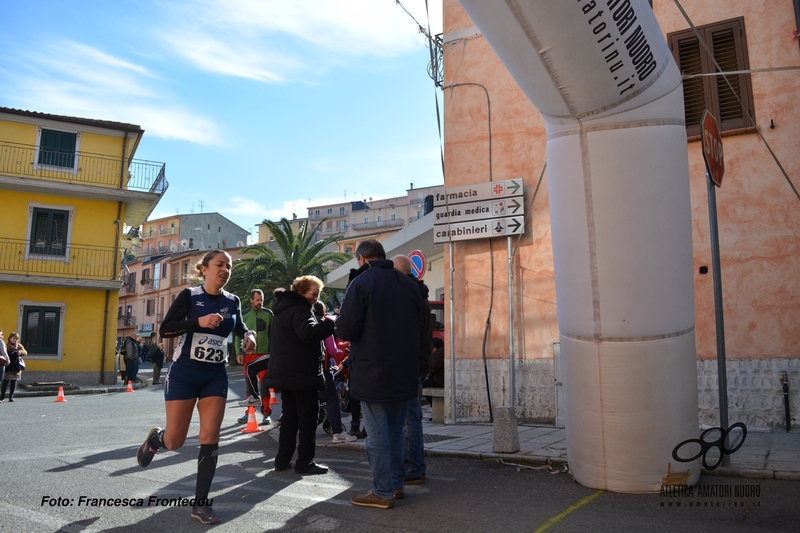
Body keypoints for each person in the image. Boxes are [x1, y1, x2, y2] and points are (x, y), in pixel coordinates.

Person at [136, 249, 256, 525]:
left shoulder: (232, 301)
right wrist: (198, 322)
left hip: (215, 375)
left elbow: (239, 327)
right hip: (184, 374)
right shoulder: (190, 296)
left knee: (210, 436)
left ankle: (201, 504)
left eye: (229, 266)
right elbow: (165, 329)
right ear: (205, 269)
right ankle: (156, 440)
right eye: (219, 265)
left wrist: (248, 335)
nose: (225, 270)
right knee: (175, 441)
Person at [335, 240, 424, 509]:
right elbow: (419, 327)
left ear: (362, 259)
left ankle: (381, 491)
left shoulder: (362, 283)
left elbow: (346, 329)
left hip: (373, 370)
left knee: (377, 434)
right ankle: (396, 485)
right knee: (397, 431)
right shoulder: (409, 285)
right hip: (405, 371)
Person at [265, 275, 335, 475]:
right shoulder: (301, 310)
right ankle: (305, 462)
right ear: (301, 292)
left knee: (289, 418)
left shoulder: (282, 311)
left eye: (317, 294)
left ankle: (282, 459)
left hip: (286, 374)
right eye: (313, 293)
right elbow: (308, 333)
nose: (316, 298)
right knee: (307, 419)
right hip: (303, 375)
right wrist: (330, 324)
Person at [391, 254, 433, 486]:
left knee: (409, 417)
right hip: (418, 362)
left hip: (411, 364)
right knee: (412, 416)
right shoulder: (420, 295)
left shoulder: (410, 297)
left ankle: (414, 468)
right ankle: (416, 467)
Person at [313, 301, 357, 443]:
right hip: (324, 369)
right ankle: (337, 432)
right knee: (332, 399)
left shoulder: (305, 324)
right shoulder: (325, 326)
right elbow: (331, 350)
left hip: (306, 370)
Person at [235, 289, 274, 426]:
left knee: (265, 385)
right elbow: (238, 335)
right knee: (249, 386)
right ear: (251, 300)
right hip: (249, 355)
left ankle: (266, 413)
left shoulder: (269, 314)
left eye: (261, 300)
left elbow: (273, 334)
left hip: (265, 354)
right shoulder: (244, 315)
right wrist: (238, 352)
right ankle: (249, 412)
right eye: (257, 300)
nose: (259, 302)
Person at [1, 332, 28, 403]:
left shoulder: (19, 346)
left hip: (16, 367)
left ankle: (11, 396)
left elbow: (25, 352)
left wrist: (20, 352)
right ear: (10, 338)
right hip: (8, 366)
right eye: (14, 338)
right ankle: (2, 397)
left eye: (16, 338)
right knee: (5, 382)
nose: (15, 340)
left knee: (14, 382)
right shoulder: (7, 345)